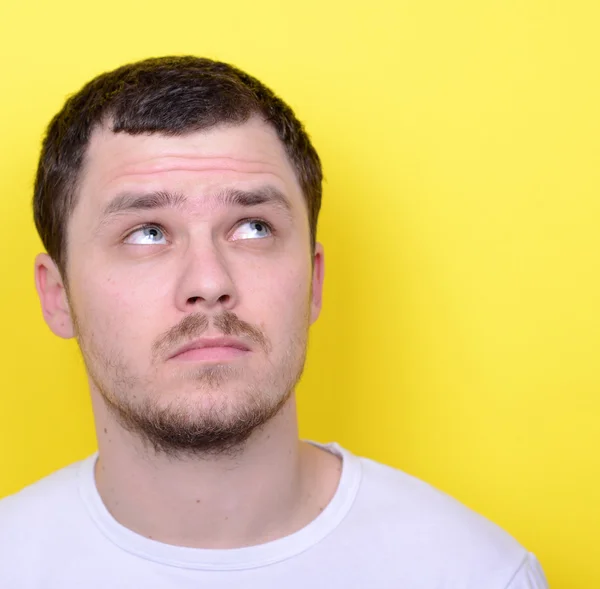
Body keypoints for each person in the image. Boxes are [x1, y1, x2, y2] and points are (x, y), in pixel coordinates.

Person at [0, 56, 548, 588]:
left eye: (253, 227)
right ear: (57, 296)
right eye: (147, 232)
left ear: (313, 280)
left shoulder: (478, 573)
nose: (209, 282)